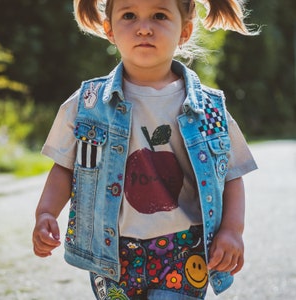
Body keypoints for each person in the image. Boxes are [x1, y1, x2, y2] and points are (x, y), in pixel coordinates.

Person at [32, 0, 258, 299]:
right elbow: (65, 167)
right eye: (129, 15)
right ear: (109, 30)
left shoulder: (208, 109)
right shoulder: (88, 104)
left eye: (159, 15)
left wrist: (232, 230)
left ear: (185, 31)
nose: (143, 28)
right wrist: (46, 212)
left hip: (184, 249)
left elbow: (231, 174)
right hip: (112, 251)